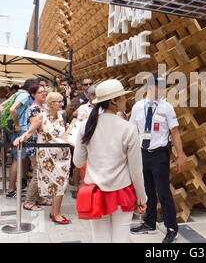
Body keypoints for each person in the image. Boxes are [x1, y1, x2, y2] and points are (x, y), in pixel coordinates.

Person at [73, 79, 147, 243]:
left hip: (95, 192)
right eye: (122, 97)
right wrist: (142, 199)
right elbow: (136, 170)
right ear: (114, 100)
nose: (125, 99)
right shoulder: (128, 128)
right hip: (122, 192)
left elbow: (78, 162)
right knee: (121, 239)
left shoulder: (86, 125)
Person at [129, 73, 185, 243]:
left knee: (163, 192)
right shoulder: (138, 107)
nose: (162, 90)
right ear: (149, 87)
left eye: (163, 87)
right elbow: (132, 131)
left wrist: (180, 155)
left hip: (160, 155)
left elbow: (174, 132)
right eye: (159, 86)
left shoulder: (167, 107)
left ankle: (171, 228)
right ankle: (149, 223)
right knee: (146, 191)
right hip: (142, 154)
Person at [14, 92, 71, 224]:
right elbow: (30, 131)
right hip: (48, 157)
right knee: (58, 183)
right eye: (58, 102)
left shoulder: (62, 116)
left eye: (62, 101)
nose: (61, 104)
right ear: (51, 103)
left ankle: (55, 211)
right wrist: (21, 138)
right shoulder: (41, 116)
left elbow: (65, 133)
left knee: (62, 185)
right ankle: (56, 213)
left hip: (63, 156)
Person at [0, 78, 39, 198]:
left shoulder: (17, 94)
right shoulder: (24, 96)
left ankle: (14, 186)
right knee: (17, 160)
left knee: (19, 159)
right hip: (20, 130)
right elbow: (12, 109)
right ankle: (11, 189)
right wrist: (17, 124)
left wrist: (9, 122)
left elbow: (1, 107)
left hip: (16, 130)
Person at [21, 83, 52, 211]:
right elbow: (35, 127)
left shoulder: (44, 107)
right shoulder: (33, 109)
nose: (43, 94)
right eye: (40, 92)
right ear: (33, 95)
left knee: (42, 171)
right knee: (37, 172)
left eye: (44, 91)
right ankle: (29, 201)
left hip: (44, 144)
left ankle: (39, 197)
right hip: (35, 144)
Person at [64, 96, 83, 198]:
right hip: (77, 138)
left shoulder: (70, 113)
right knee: (78, 164)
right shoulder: (78, 112)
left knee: (76, 163)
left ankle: (75, 185)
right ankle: (76, 185)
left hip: (73, 139)